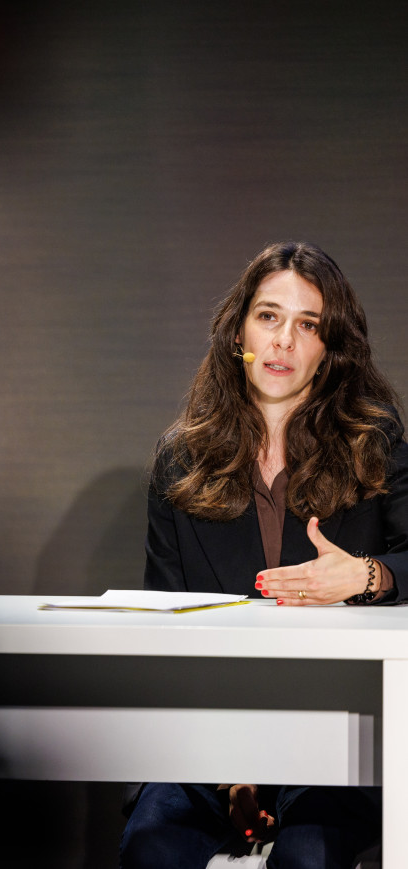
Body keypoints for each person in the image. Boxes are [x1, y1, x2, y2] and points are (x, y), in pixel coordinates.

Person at [120, 241, 405, 869]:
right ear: (239, 332)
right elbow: (164, 628)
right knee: (152, 848)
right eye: (268, 317)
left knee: (306, 856)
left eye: (308, 325)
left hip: (339, 740)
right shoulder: (180, 460)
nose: (283, 341)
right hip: (211, 740)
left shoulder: (375, 442)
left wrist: (367, 574)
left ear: (331, 349)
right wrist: (230, 771)